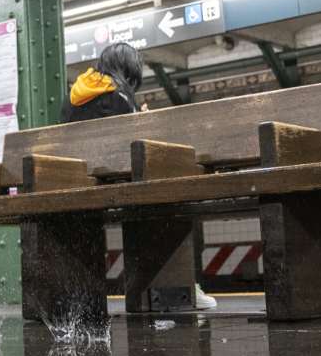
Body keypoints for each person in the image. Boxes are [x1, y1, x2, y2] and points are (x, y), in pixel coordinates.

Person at [62, 41, 217, 310]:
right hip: (118, 180)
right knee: (174, 196)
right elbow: (131, 146)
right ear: (127, 69)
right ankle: (178, 288)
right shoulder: (118, 96)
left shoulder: (72, 97)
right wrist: (142, 120)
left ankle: (76, 301)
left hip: (77, 183)